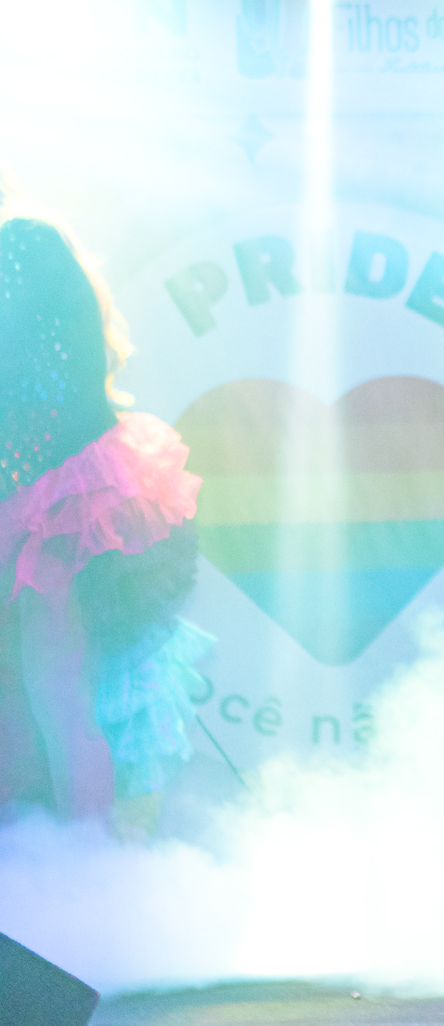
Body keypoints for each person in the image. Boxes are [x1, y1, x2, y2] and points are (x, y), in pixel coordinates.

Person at [0, 203, 211, 839]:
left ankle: (81, 867)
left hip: (55, 501)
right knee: (47, 697)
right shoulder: (43, 259)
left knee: (54, 695)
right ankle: (63, 860)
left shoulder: (22, 254)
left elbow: (37, 402)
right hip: (61, 489)